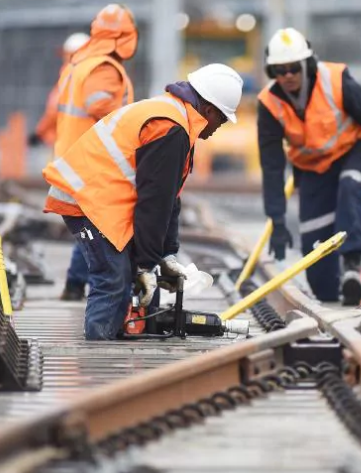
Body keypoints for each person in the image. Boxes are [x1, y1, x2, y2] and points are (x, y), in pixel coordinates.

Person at [42, 63, 242, 340]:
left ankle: (115, 337)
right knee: (113, 279)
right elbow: (154, 202)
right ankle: (99, 354)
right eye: (222, 119)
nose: (219, 128)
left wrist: (166, 254)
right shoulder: (171, 129)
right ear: (209, 110)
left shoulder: (177, 119)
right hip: (88, 200)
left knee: (121, 276)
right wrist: (147, 265)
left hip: (101, 200)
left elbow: (169, 197)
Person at [257, 27, 361, 305]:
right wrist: (277, 222)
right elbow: (272, 167)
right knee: (320, 280)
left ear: (306, 64)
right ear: (271, 71)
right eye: (279, 69)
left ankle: (352, 265)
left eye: (292, 68)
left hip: (355, 150)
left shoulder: (335, 81)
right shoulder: (269, 104)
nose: (287, 75)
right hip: (314, 168)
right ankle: (337, 290)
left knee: (351, 184)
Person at [43, 4, 138, 302]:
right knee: (98, 229)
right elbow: (100, 106)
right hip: (92, 163)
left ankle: (75, 286)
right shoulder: (103, 67)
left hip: (74, 157)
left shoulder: (81, 63)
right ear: (124, 37)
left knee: (91, 228)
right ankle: (88, 296)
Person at [29, 32, 90, 149]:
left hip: (67, 143)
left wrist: (40, 132)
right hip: (87, 143)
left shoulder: (69, 76)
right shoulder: (96, 74)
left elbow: (53, 109)